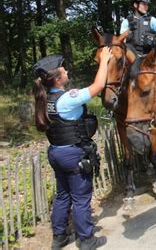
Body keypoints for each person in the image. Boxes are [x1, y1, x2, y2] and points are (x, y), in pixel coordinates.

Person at [32, 49, 111, 249]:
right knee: (81, 197)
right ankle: (86, 239)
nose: (67, 71)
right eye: (64, 70)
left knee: (63, 195)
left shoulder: (46, 99)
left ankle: (59, 237)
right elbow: (99, 85)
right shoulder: (67, 98)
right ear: (58, 79)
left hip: (56, 152)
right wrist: (104, 60)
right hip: (72, 154)